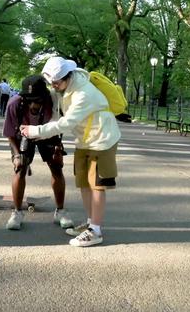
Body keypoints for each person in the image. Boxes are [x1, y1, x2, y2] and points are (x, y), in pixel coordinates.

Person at [21, 56, 121, 247]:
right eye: (52, 83)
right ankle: (91, 223)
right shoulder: (64, 90)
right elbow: (57, 117)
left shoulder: (84, 93)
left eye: (56, 83)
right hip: (85, 140)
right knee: (84, 182)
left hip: (103, 139)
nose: (54, 87)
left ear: (67, 76)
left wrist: (36, 131)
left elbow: (67, 123)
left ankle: (96, 231)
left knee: (97, 185)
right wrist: (39, 133)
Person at [3, 74, 74, 231]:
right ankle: (17, 212)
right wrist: (16, 155)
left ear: (45, 97)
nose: (33, 104)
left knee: (56, 167)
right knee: (20, 168)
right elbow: (9, 133)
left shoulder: (54, 101)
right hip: (23, 134)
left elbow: (60, 126)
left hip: (47, 132)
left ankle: (60, 211)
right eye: (29, 99)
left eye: (38, 100)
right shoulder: (14, 104)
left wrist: (58, 149)